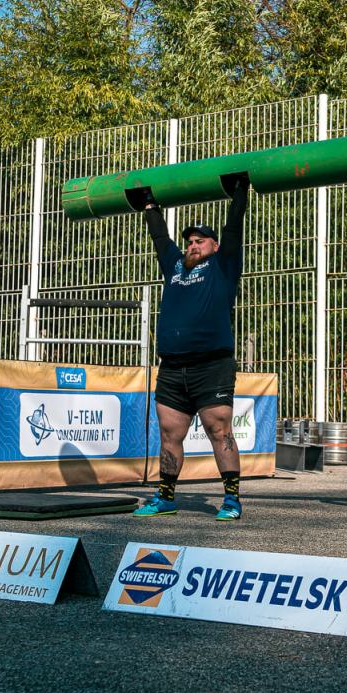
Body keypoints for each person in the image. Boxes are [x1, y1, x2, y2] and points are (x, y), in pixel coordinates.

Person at [135, 176, 251, 521]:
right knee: (170, 434)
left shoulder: (223, 266)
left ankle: (231, 500)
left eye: (200, 241)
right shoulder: (174, 266)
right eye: (189, 242)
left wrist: (240, 191)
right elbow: (160, 237)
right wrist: (149, 204)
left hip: (211, 365)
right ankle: (165, 497)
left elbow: (234, 229)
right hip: (172, 367)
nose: (193, 245)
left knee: (219, 431)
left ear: (215, 246)